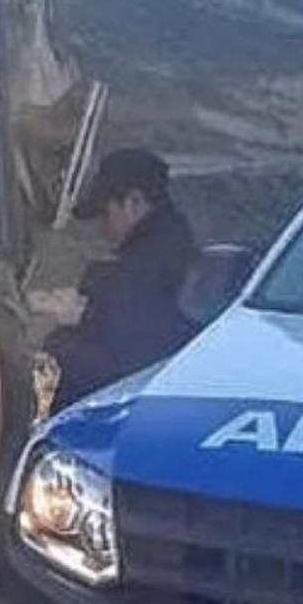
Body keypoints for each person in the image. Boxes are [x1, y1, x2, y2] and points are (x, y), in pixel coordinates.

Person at [44, 148, 201, 410]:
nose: (102, 229)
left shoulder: (144, 271)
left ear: (134, 202)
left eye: (106, 214)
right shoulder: (173, 248)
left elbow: (121, 365)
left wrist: (53, 344)